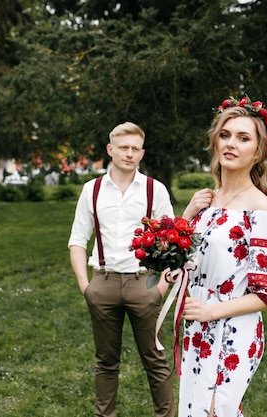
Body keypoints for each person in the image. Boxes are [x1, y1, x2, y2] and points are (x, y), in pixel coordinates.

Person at [175, 96, 267, 417]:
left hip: (231, 332)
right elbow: (187, 262)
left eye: (243, 138)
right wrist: (187, 215)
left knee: (214, 413)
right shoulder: (208, 201)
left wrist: (212, 311)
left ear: (259, 151)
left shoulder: (259, 209)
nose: (231, 144)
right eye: (225, 135)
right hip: (197, 329)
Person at [68, 121, 175, 417]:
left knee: (155, 359)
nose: (129, 154)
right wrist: (85, 286)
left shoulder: (155, 190)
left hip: (144, 284)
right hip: (103, 283)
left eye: (135, 149)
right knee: (105, 361)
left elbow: (173, 243)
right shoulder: (92, 190)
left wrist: (160, 288)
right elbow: (77, 240)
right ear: (110, 149)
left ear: (142, 153)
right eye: (123, 147)